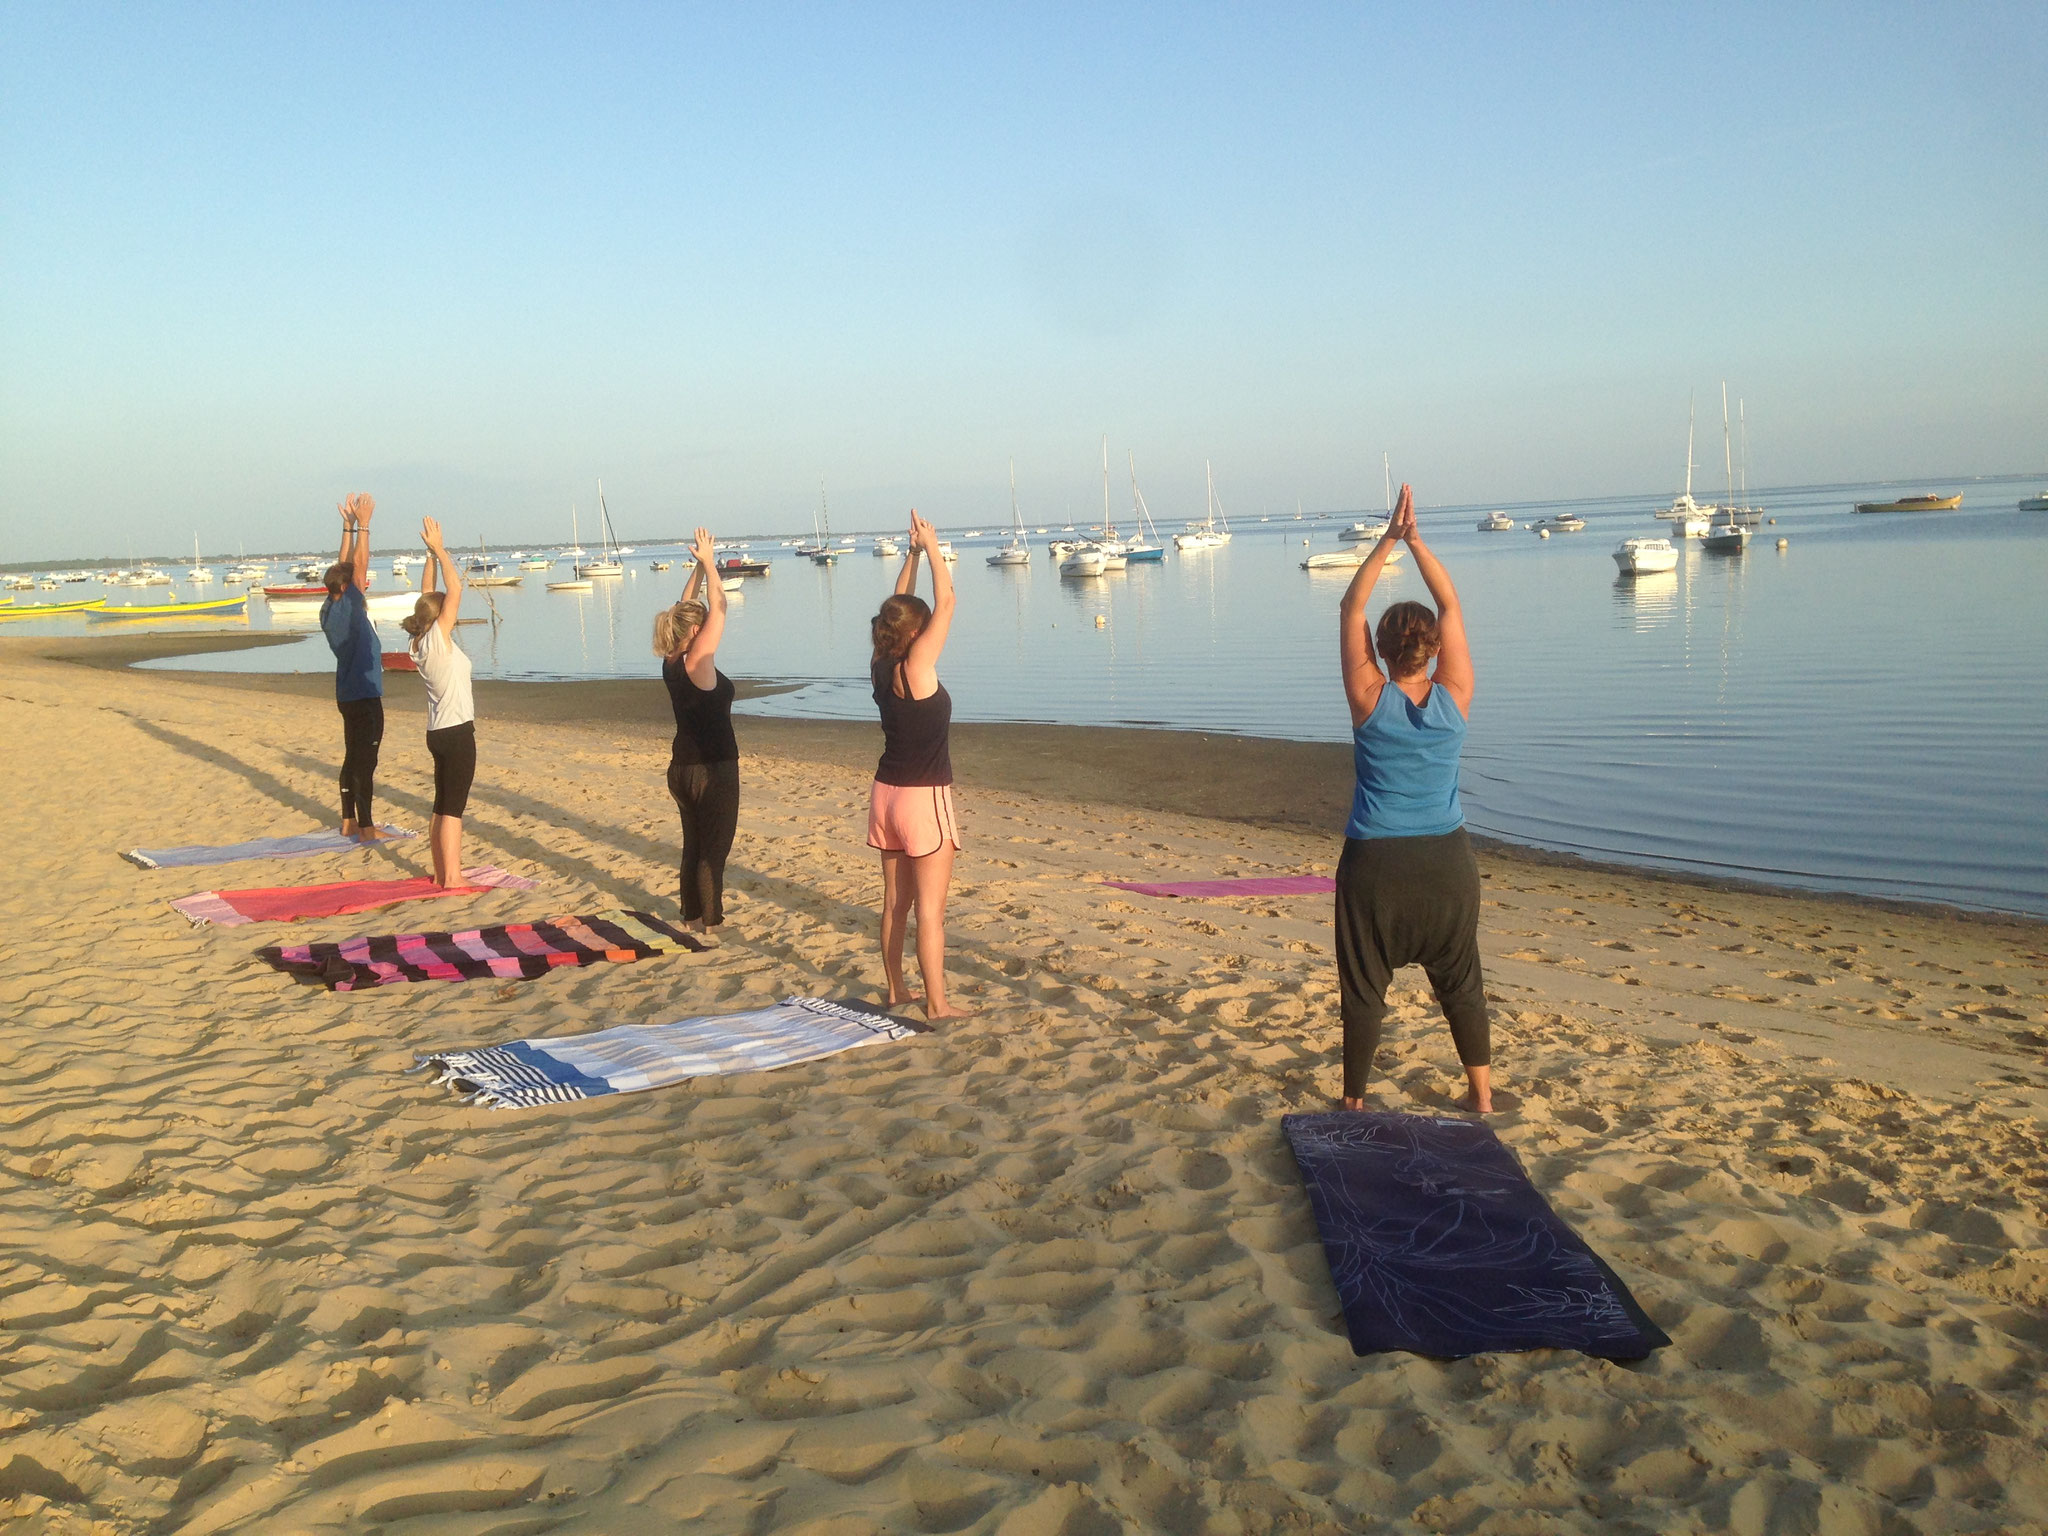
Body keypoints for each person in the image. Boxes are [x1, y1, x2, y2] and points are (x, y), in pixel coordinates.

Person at [1334, 484, 1491, 1112]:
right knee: (1462, 983)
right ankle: (1480, 1096)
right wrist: (1418, 540)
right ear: (1432, 650)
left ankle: (1354, 1102)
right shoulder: (1456, 693)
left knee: (1365, 987)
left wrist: (1388, 540)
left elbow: (1351, 605)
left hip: (1376, 867)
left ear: (1381, 648)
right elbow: (1449, 603)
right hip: (1448, 867)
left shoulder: (1369, 697)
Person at [869, 512, 967, 1019]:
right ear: (916, 632)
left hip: (885, 794)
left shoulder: (881, 661)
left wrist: (907, 557)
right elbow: (948, 601)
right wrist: (931, 545)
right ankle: (937, 1003)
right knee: (931, 910)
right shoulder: (916, 665)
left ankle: (895, 990)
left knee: (895, 904)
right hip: (923, 798)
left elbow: (892, 610)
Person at [654, 528, 735, 943]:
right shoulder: (698, 660)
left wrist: (700, 571)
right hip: (712, 769)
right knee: (712, 851)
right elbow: (719, 609)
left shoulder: (672, 658)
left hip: (681, 768)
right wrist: (709, 563)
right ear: (696, 630)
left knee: (693, 845)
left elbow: (685, 609)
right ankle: (710, 925)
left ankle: (688, 916)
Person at [401, 518, 475, 886]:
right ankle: (454, 879)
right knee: (453, 809)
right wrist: (442, 550)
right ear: (439, 616)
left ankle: (441, 873)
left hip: (437, 732)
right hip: (457, 732)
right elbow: (454, 587)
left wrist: (430, 554)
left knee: (441, 804)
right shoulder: (437, 639)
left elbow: (427, 593)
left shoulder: (419, 641)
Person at [321, 492, 389, 842]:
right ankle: (366, 826)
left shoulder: (329, 607)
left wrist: (346, 528)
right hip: (364, 696)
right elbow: (357, 566)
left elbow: (344, 567)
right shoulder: (349, 602)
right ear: (348, 588)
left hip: (346, 695)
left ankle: (348, 820)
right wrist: (364, 525)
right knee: (366, 762)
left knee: (352, 756)